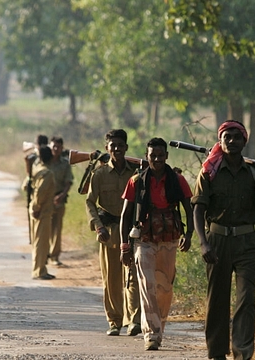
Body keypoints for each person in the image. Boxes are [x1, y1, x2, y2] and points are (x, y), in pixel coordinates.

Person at [191, 120, 255, 360]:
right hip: (216, 241)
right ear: (220, 140)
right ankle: (216, 353)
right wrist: (203, 243)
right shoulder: (209, 171)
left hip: (247, 243)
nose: (231, 141)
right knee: (217, 300)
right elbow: (198, 210)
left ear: (244, 141)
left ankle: (243, 353)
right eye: (227, 137)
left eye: (237, 137)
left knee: (246, 300)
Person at [120, 137, 194, 351]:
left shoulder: (177, 180)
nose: (157, 159)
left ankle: (158, 327)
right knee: (147, 285)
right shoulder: (137, 181)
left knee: (165, 287)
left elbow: (189, 209)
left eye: (161, 155)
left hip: (170, 238)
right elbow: (125, 215)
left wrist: (188, 234)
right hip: (144, 239)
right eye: (153, 156)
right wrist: (125, 246)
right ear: (147, 156)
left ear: (167, 156)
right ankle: (151, 334)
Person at [85, 129, 141, 337]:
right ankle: (115, 322)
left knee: (133, 275)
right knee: (112, 279)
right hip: (108, 232)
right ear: (107, 148)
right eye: (112, 146)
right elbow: (90, 202)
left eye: (120, 145)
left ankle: (134, 320)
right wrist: (98, 226)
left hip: (132, 232)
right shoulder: (99, 174)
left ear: (126, 147)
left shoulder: (135, 173)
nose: (116, 149)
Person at [30, 145, 56, 280]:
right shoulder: (47, 173)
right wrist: (37, 207)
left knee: (38, 241)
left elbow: (26, 186)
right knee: (42, 242)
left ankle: (39, 269)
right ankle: (39, 271)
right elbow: (40, 192)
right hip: (42, 211)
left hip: (38, 209)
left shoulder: (37, 169)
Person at [47, 136, 74, 266]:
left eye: (58, 147)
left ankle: (54, 256)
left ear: (62, 148)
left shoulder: (65, 164)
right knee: (45, 229)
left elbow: (68, 182)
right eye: (54, 146)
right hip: (45, 200)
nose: (56, 149)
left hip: (59, 199)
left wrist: (62, 196)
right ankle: (44, 254)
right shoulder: (45, 161)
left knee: (57, 229)